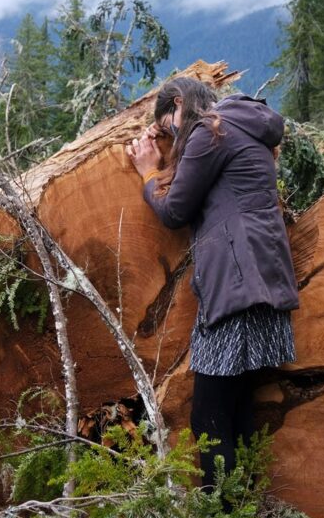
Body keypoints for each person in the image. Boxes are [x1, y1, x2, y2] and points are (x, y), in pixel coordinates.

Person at [125, 76, 299, 493]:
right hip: (265, 282)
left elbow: (174, 210)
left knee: (208, 420)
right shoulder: (243, 127)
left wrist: (149, 170)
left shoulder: (209, 130)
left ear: (180, 103)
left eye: (168, 126)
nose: (169, 135)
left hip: (235, 287)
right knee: (236, 412)